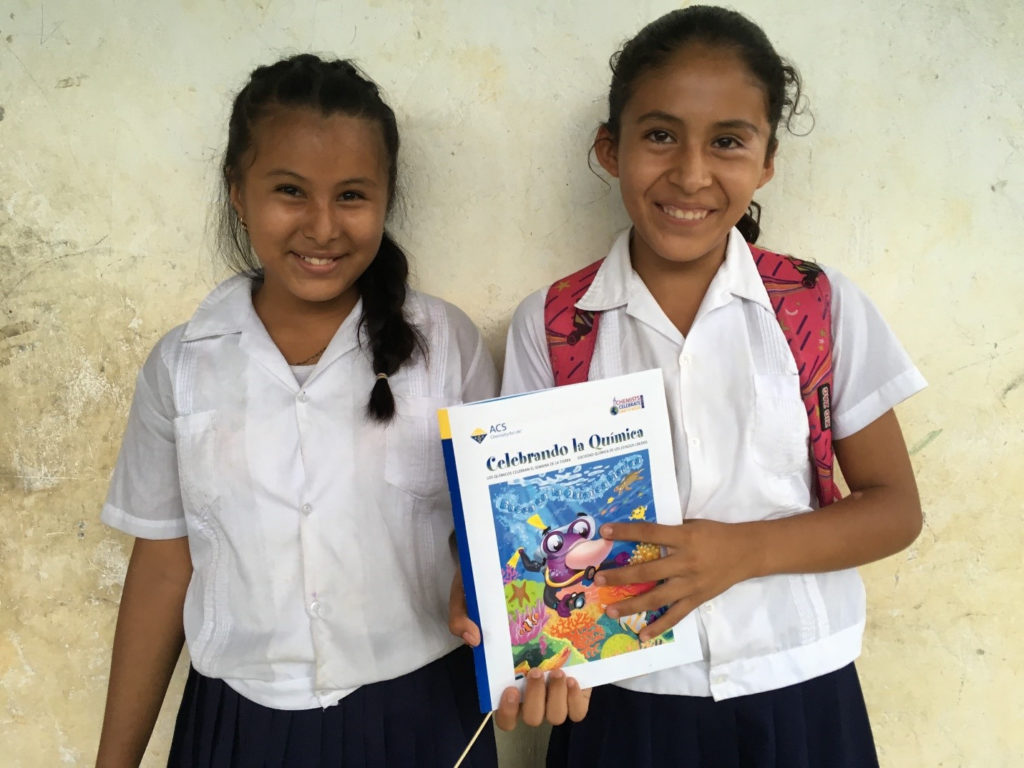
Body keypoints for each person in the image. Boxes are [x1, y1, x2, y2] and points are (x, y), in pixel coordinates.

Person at [494, 6, 925, 766]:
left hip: (800, 687)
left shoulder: (817, 306)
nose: (691, 174)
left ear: (765, 163)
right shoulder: (556, 324)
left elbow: (895, 510)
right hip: (623, 702)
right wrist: (525, 636)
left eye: (728, 141)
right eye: (659, 135)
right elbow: (534, 539)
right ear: (611, 149)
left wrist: (742, 551)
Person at [96, 54, 498, 768]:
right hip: (238, 729)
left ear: (385, 198)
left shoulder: (445, 347)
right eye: (289, 191)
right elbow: (162, 569)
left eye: (351, 195)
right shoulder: (185, 364)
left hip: (423, 719)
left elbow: (498, 538)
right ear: (238, 194)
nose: (322, 226)